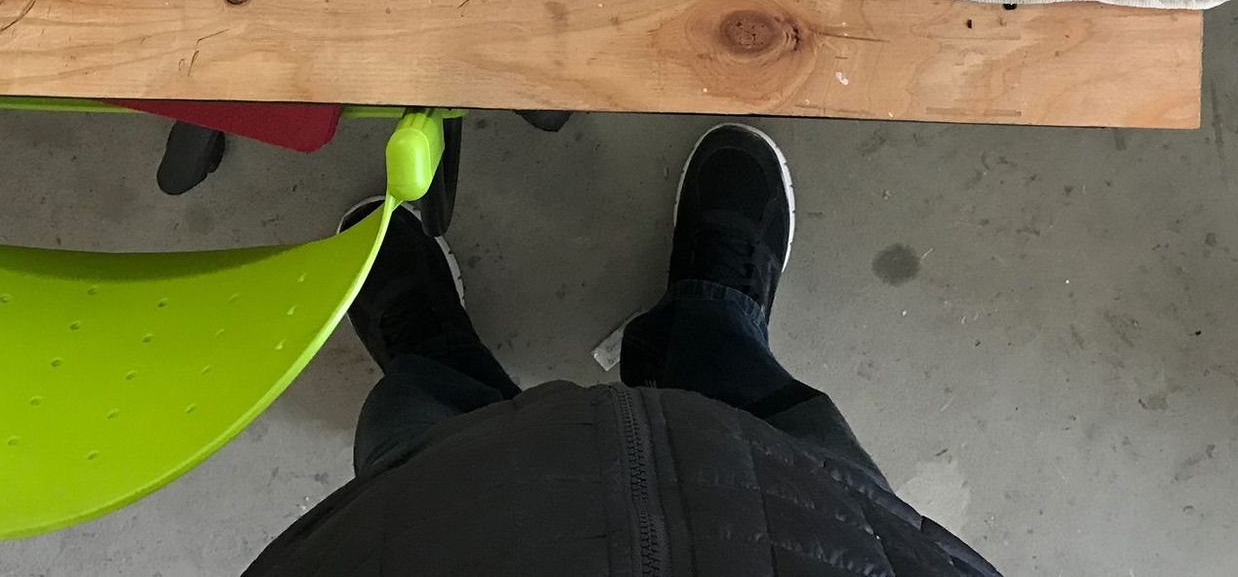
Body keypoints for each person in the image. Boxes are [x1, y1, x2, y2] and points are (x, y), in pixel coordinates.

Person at [244, 124, 1002, 576]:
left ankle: (436, 360)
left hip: (447, 535)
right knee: (768, 424)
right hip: (807, 535)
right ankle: (710, 314)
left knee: (422, 439)